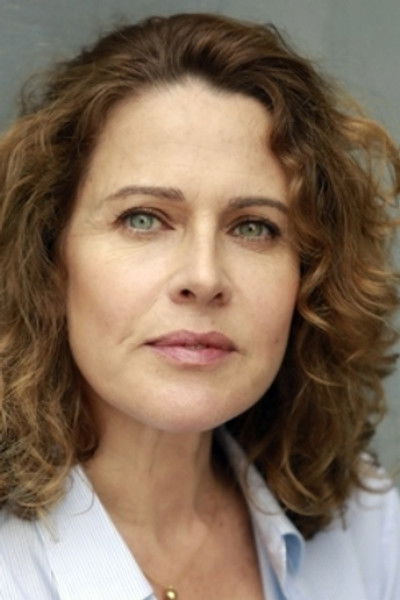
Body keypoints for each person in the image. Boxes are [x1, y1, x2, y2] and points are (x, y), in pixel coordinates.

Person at [0, 11, 399, 600]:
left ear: (311, 278)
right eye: (144, 219)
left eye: (254, 227)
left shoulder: (367, 528)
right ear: (48, 260)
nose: (205, 278)